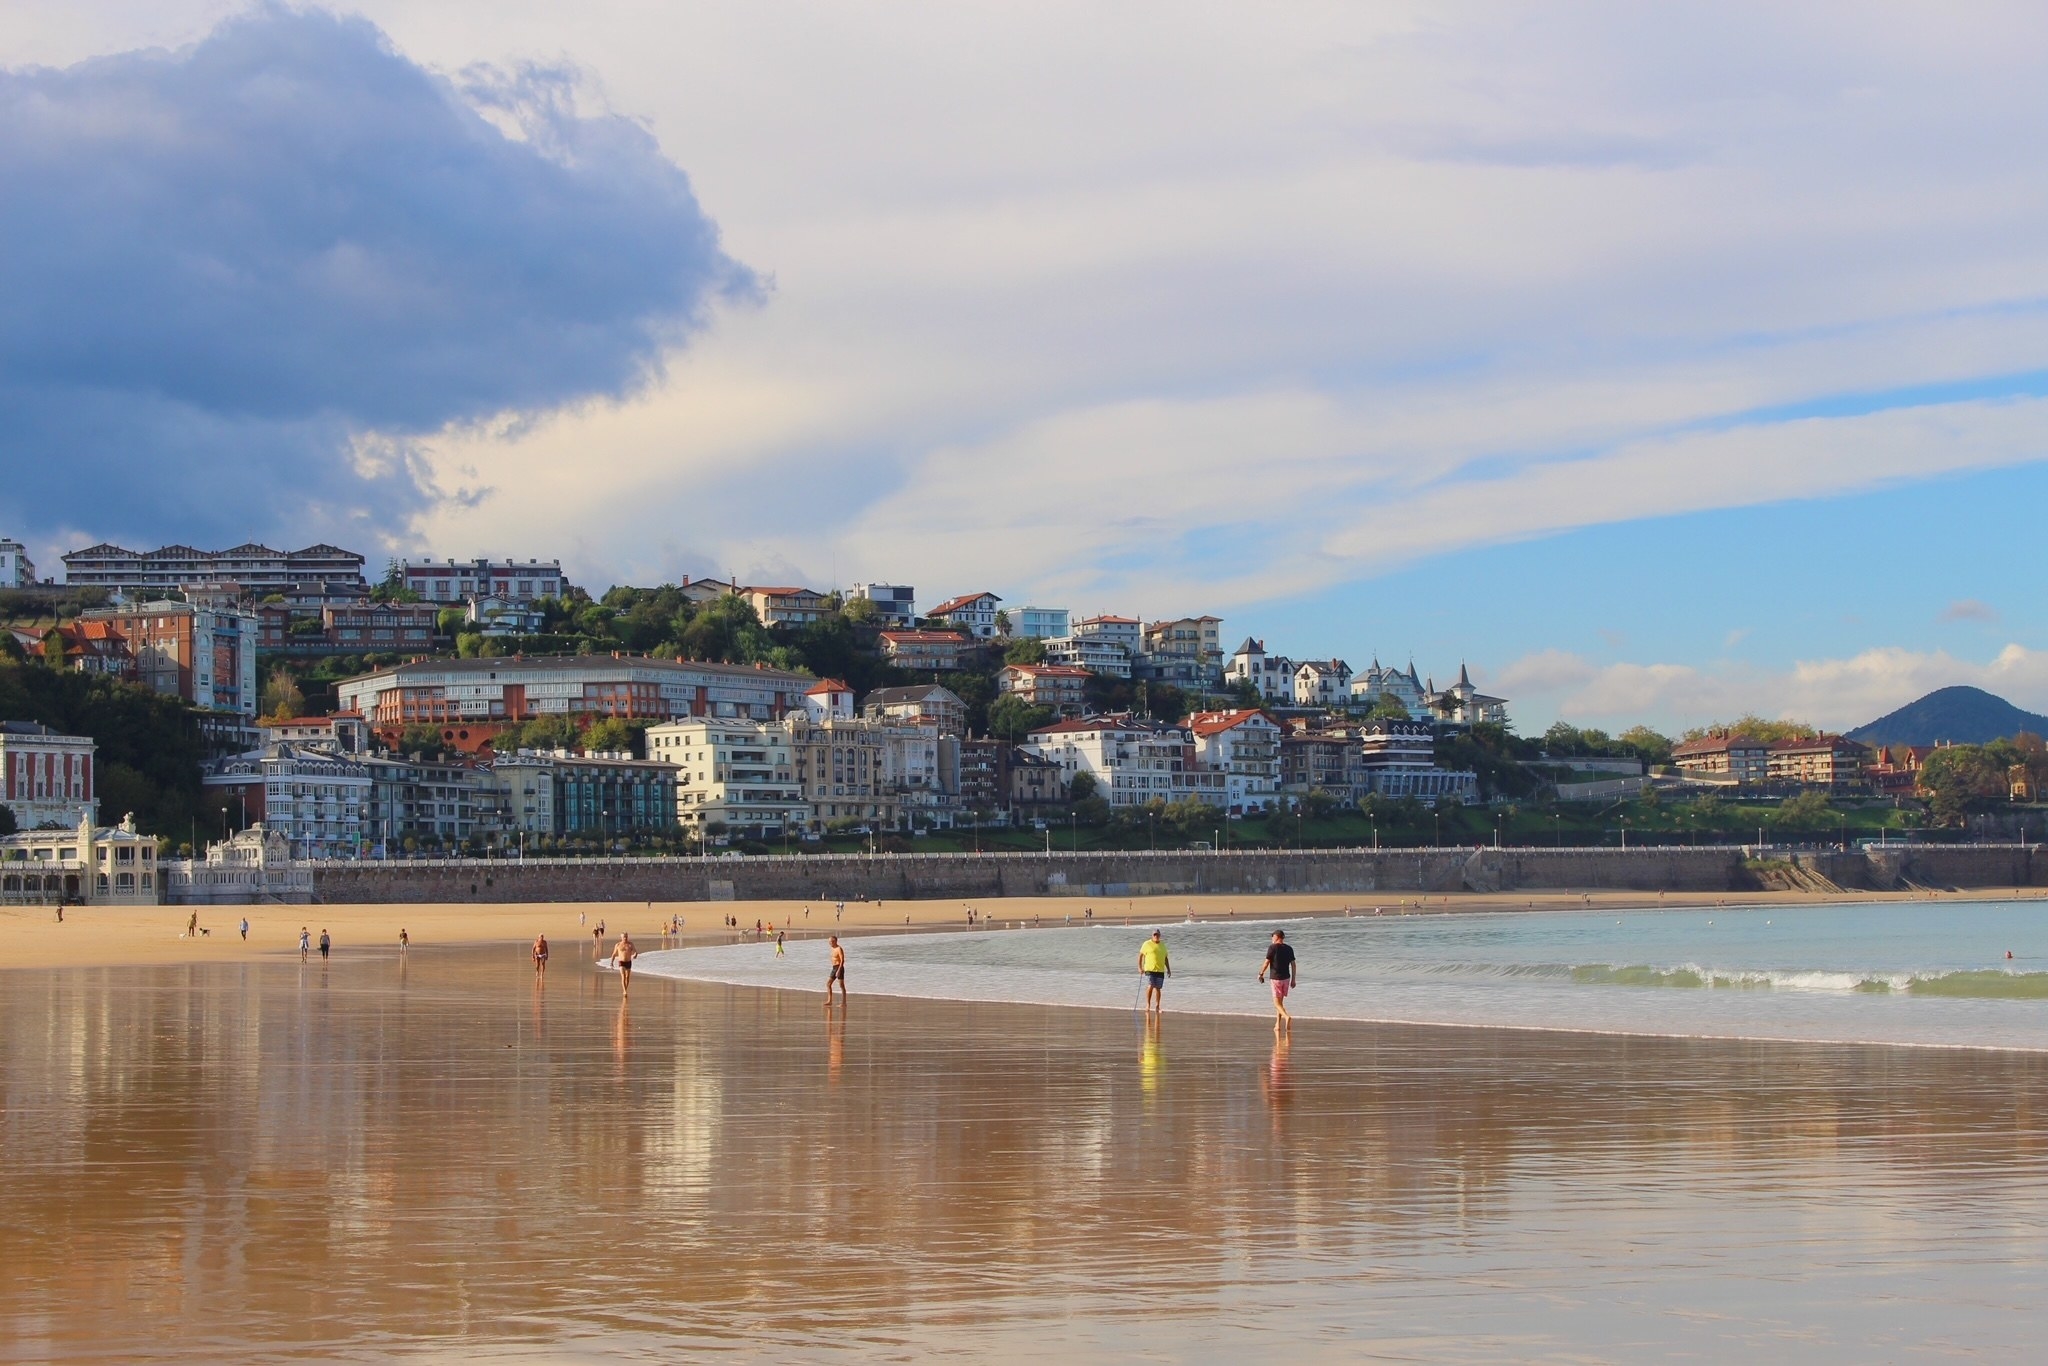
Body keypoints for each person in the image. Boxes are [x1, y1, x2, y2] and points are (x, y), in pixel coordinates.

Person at [1258, 929, 1296, 1032]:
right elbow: (1293, 965)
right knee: (1280, 1004)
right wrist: (1293, 980)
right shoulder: (1289, 948)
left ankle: (1286, 1017)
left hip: (1276, 979)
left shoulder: (1272, 948)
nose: (1272, 939)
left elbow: (1266, 963)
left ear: (1277, 937)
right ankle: (1278, 1025)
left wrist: (1261, 973)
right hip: (1286, 979)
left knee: (1276, 1003)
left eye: (1273, 937)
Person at [1137, 930, 1172, 1013]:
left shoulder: (1162, 945)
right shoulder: (1147, 944)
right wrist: (1140, 967)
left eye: (1157, 935)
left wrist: (1169, 969)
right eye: (1154, 935)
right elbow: (1140, 956)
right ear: (1152, 935)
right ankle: (1148, 1005)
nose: (1156, 936)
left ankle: (1157, 1006)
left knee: (1158, 988)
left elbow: (1165, 958)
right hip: (1149, 969)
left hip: (1160, 970)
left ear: (1160, 935)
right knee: (1151, 985)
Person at [825, 935, 847, 1005]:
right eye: (829, 942)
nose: (830, 943)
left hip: (839, 968)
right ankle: (829, 1001)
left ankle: (844, 1002)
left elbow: (842, 960)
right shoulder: (833, 948)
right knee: (828, 984)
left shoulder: (839, 949)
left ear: (835, 941)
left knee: (841, 985)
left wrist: (839, 970)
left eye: (831, 941)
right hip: (834, 968)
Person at [614, 932, 637, 996]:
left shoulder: (630, 944)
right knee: (623, 976)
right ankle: (624, 991)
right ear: (621, 937)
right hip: (621, 962)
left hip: (628, 962)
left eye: (626, 936)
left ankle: (625, 989)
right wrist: (611, 962)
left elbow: (635, 951)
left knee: (627, 977)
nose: (625, 938)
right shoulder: (618, 944)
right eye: (624, 937)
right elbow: (614, 954)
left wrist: (635, 955)